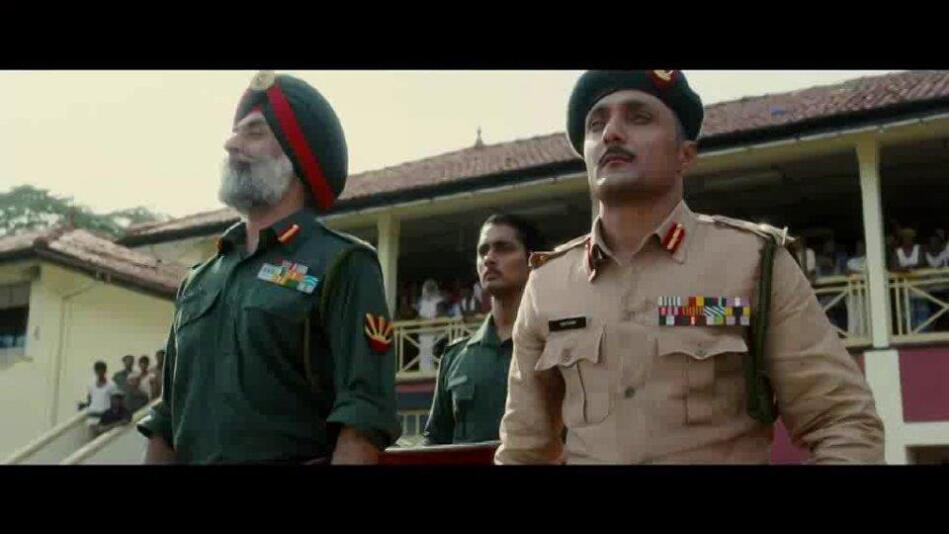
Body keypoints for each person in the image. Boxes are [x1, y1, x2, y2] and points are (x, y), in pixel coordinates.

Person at [495, 70, 884, 465]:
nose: (611, 133)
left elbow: (843, 422)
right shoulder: (548, 284)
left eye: (638, 117)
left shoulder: (752, 262)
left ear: (685, 154)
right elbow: (524, 451)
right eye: (596, 124)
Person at [138, 71, 400, 464]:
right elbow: (166, 421)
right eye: (235, 132)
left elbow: (362, 420)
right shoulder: (198, 280)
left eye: (254, 133)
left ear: (295, 156)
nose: (231, 144)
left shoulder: (341, 264)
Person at [423, 214, 542, 445]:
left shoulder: (557, 346)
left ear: (533, 261)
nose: (489, 259)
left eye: (503, 248)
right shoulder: (456, 357)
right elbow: (436, 441)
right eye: (483, 251)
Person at [79, 361, 118, 432]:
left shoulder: (112, 385)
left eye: (101, 370)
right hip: (92, 418)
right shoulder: (91, 384)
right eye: (97, 370)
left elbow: (114, 402)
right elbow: (90, 399)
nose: (99, 372)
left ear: (105, 371)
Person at [416, 279, 444, 373]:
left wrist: (429, 321)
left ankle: (432, 371)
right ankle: (423, 371)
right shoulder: (422, 302)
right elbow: (418, 317)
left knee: (432, 352)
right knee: (423, 352)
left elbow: (440, 317)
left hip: (434, 332)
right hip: (423, 332)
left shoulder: (438, 301)